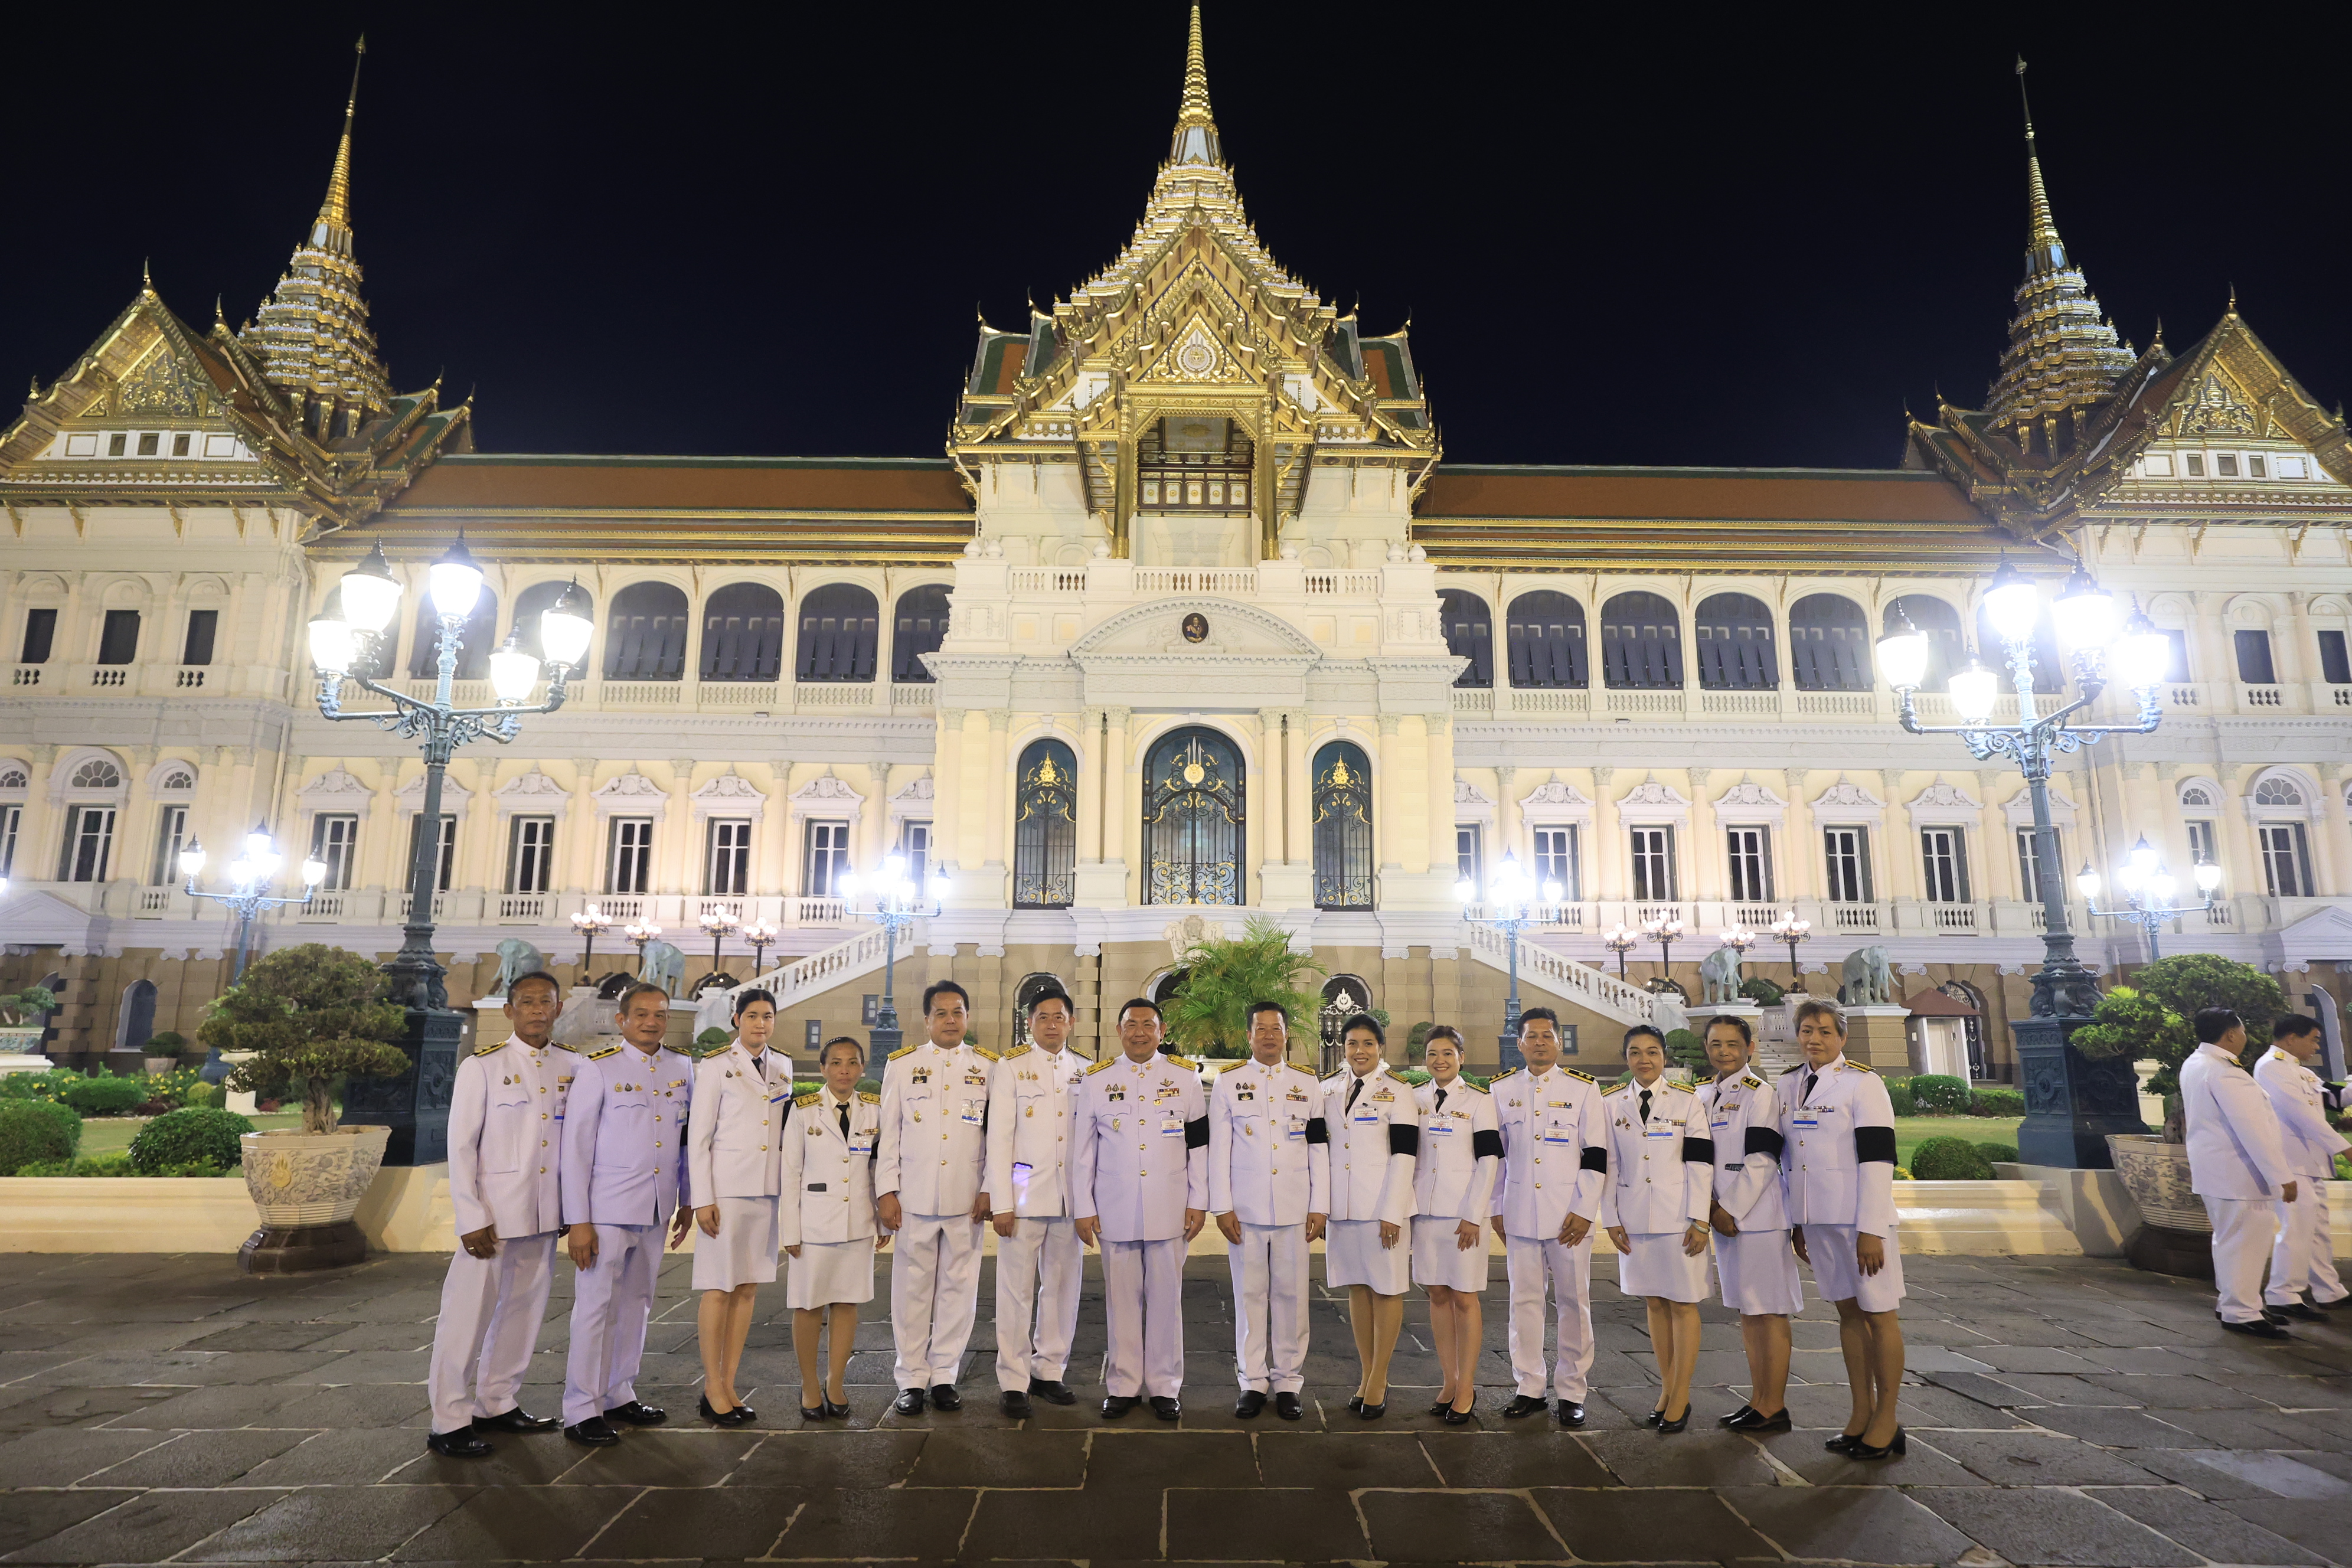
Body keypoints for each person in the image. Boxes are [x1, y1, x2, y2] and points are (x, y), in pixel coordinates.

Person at [424, 970, 572, 1458]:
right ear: (509, 1011)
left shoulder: (571, 1065)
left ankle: (497, 1400)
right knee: (466, 1317)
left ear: (558, 1008)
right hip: (492, 1216)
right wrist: (469, 1216)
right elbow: (461, 1146)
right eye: (526, 1002)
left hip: (544, 1213)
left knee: (523, 1312)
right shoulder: (483, 1067)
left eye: (545, 1002)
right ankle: (448, 1419)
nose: (536, 1010)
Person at [560, 981, 694, 1445]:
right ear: (622, 1020)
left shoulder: (681, 1068)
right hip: (606, 1210)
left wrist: (688, 1197)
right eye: (641, 1014)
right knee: (595, 1307)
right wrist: (578, 1220)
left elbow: (686, 1142)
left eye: (659, 1014)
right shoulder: (598, 1069)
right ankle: (581, 1408)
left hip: (656, 1207)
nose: (652, 1022)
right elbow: (575, 1150)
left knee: (637, 1303)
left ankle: (619, 1392)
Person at [1072, 997, 1207, 1420]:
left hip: (1169, 1206)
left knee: (1167, 1299)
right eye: (1131, 1025)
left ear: (1161, 1032)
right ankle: (1124, 1386)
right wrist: (1082, 1206)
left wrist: (1199, 1200)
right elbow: (1083, 1151)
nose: (1139, 1032)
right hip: (1115, 1207)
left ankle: (1165, 1387)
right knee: (1121, 1301)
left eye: (1148, 1025)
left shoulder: (1185, 1079)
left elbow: (1199, 1146)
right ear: (1119, 1031)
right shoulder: (1097, 1080)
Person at [1782, 997, 1905, 1459]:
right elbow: (1792, 1158)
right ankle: (1860, 1413)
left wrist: (1871, 1227)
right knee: (1849, 1315)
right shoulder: (1790, 1084)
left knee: (1880, 1314)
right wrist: (1797, 1222)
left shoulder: (1862, 1083)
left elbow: (1878, 1157)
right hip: (1817, 1220)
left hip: (1858, 1222)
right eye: (1807, 1031)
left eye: (1824, 1032)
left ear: (1842, 1037)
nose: (1814, 1039)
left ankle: (1888, 1419)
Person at [875, 979, 996, 1413]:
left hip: (967, 1200)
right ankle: (910, 1378)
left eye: (957, 1012)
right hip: (914, 1197)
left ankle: (944, 1374)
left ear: (967, 1017)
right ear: (926, 1019)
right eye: (941, 1013)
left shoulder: (987, 1066)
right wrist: (886, 1190)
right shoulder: (903, 1065)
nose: (950, 1020)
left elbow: (995, 1138)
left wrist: (990, 1190)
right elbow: (889, 1135)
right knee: (911, 1290)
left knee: (958, 1290)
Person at [1207, 1000, 1329, 1420]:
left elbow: (1318, 1148)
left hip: (1296, 1208)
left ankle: (1289, 1381)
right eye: (1261, 1029)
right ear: (1249, 1036)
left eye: (1276, 1028)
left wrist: (1321, 1205)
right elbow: (1218, 1151)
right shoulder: (1229, 1083)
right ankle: (1252, 1380)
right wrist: (1221, 1206)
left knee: (1292, 1296)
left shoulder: (1307, 1084)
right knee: (1249, 1294)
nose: (1269, 1035)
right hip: (1246, 1209)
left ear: (1286, 1033)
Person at [1488, 1006, 1607, 1427]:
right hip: (1520, 1213)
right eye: (1531, 1036)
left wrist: (1583, 1210)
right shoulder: (1501, 1090)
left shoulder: (1583, 1089)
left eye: (1547, 1036)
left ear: (1559, 1041)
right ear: (1519, 1043)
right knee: (1524, 1301)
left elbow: (1596, 1156)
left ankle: (1573, 1390)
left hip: (1568, 1219)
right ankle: (1530, 1385)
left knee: (1575, 1302)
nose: (1539, 1042)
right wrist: (1496, 1207)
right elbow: (1497, 1158)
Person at [1599, 1024, 1714, 1433]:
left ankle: (1680, 1396)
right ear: (1626, 1057)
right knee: (1653, 1303)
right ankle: (1667, 1391)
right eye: (1635, 1052)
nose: (1644, 1059)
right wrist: (1610, 1217)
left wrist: (1701, 1219)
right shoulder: (1611, 1103)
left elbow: (1701, 1163)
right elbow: (1608, 1165)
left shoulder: (1688, 1101)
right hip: (1633, 1219)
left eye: (1652, 1051)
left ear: (1664, 1056)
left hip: (1679, 1219)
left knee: (1683, 1304)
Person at [988, 987, 1091, 1416]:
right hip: (1025, 1195)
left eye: (1059, 1017)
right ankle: (1013, 1380)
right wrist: (1002, 1201)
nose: (1052, 1024)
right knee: (1016, 1291)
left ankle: (1050, 1369)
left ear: (1071, 1022)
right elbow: (999, 1137)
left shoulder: (1085, 1070)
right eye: (1043, 1017)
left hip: (1069, 1198)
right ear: (1030, 1023)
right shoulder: (1011, 1067)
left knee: (1063, 1289)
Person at [686, 988, 787, 1426]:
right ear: (736, 1020)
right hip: (725, 1192)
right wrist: (701, 1199)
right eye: (751, 1016)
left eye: (766, 1016)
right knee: (718, 1287)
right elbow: (699, 1138)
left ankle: (729, 1382)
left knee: (747, 1288)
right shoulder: (715, 1067)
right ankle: (711, 1386)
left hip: (766, 1191)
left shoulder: (781, 1065)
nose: (759, 1024)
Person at [1697, 1014, 1802, 1433]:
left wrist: (1729, 1211)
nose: (1724, 1051)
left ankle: (1774, 1404)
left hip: (1755, 1219)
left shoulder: (1760, 1094)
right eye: (1716, 1044)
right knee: (1748, 1312)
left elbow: (1762, 1160)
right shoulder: (1704, 1094)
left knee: (1769, 1312)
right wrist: (1710, 1208)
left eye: (1732, 1044)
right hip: (1723, 1219)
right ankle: (1758, 1399)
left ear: (1750, 1048)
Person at [782, 1036, 888, 1420]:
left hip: (857, 1222)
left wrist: (880, 1217)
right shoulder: (804, 1110)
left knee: (847, 1304)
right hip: (813, 1224)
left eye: (852, 1062)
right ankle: (810, 1385)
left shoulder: (874, 1110)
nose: (844, 1069)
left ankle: (836, 1381)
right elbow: (789, 1172)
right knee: (809, 1305)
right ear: (823, 1068)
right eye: (836, 1062)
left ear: (862, 1068)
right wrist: (789, 1230)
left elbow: (879, 1169)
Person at [1320, 1012, 1419, 1420]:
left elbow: (1405, 1153)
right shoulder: (1327, 1089)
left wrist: (1392, 1211)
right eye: (1352, 1044)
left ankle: (1380, 1378)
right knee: (1358, 1290)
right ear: (1343, 1048)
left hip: (1383, 1209)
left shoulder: (1397, 1091)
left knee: (1387, 1290)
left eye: (1367, 1044)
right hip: (1343, 1209)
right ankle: (1365, 1374)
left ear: (1381, 1048)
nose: (1359, 1051)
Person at [2182, 1006, 2300, 1338]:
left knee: (2230, 1241)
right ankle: (2242, 1313)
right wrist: (2282, 1176)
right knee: (2246, 1243)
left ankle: (2235, 1302)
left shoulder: (2197, 1063)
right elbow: (2253, 1131)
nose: (2246, 1037)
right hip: (2239, 1174)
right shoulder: (2225, 1072)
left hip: (2219, 1173)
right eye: (2243, 1031)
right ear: (2231, 1034)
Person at [1410, 1025, 1498, 1425]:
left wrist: (1473, 1213)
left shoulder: (1480, 1102)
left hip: (1465, 1217)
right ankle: (1449, 1380)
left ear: (1462, 1057)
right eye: (1433, 1054)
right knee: (1438, 1296)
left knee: (1465, 1298)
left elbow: (1490, 1161)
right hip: (1426, 1213)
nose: (1440, 1060)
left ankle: (1468, 1386)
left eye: (1448, 1053)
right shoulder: (1414, 1100)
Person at [2257, 1014, 2350, 1319]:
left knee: (2317, 1229)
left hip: (2308, 1163)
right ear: (2290, 1038)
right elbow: (2301, 1115)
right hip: (2290, 1161)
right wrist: (2345, 1147)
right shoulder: (2271, 1067)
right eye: (2313, 1039)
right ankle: (2283, 1294)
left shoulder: (2299, 1071)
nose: (2316, 1046)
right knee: (2297, 1228)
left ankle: (2329, 1291)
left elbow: (2335, 1099)